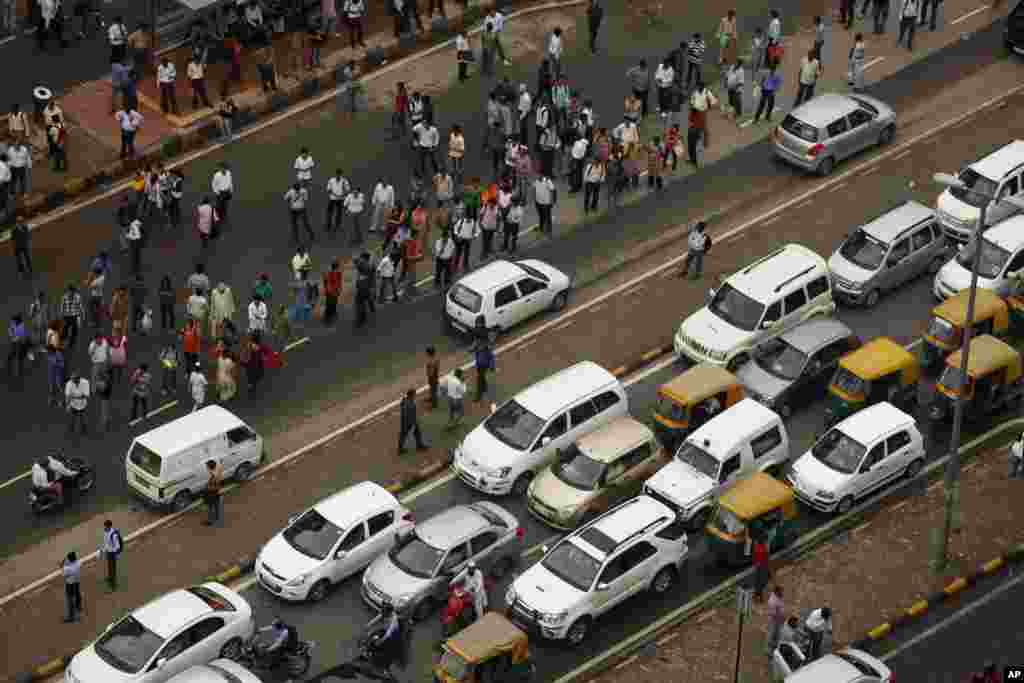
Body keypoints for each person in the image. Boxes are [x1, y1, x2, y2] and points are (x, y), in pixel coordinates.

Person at [398, 388, 428, 454]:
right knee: (404, 434)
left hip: (408, 420)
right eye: (414, 394)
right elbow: (408, 414)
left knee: (415, 433)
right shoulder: (409, 403)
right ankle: (400, 449)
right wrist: (412, 422)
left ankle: (419, 445)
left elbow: (404, 408)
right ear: (411, 395)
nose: (415, 395)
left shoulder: (406, 400)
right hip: (408, 421)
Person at [100, 519, 123, 591]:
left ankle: (113, 584)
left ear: (109, 526)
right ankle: (110, 578)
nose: (104, 527)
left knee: (113, 568)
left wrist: (115, 554)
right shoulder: (105, 532)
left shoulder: (114, 535)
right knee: (109, 566)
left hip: (112, 553)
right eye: (104, 526)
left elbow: (117, 546)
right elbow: (106, 542)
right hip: (108, 552)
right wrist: (104, 550)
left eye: (106, 526)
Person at [61, 551, 83, 623]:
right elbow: (76, 561)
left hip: (70, 585)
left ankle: (71, 617)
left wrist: (63, 564)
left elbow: (63, 574)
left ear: (69, 559)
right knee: (77, 594)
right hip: (77, 582)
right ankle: (79, 607)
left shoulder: (68, 568)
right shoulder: (78, 563)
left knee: (70, 600)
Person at [766, 585, 786, 654]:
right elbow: (774, 614)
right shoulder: (772, 601)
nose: (782, 593)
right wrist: (781, 618)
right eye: (781, 591)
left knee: (777, 634)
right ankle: (769, 650)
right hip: (774, 621)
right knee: (771, 634)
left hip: (779, 620)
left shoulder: (779, 596)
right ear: (776, 592)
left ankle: (774, 646)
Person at [203, 459, 223, 525]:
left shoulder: (213, 476)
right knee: (216, 506)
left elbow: (212, 486)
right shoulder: (218, 472)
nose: (206, 468)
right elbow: (219, 468)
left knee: (210, 508)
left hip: (211, 493)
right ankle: (217, 518)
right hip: (216, 492)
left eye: (207, 466)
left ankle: (210, 521)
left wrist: (207, 487)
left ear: (210, 467)